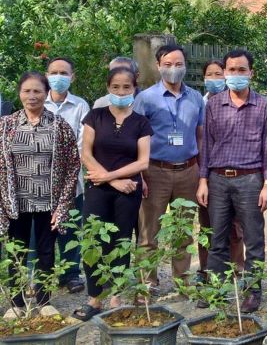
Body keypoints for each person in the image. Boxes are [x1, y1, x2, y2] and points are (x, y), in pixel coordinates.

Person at [197, 49, 267, 313]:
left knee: (253, 239)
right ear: (225, 72)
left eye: (242, 70)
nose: (236, 74)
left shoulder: (264, 106)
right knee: (217, 239)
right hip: (218, 180)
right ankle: (216, 291)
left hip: (250, 180)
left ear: (251, 73)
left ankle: (252, 292)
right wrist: (203, 180)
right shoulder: (213, 105)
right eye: (231, 70)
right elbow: (207, 146)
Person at [73, 67, 153, 321]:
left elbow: (143, 162)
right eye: (115, 87)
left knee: (121, 240)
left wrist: (111, 177)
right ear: (108, 88)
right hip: (98, 189)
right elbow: (86, 154)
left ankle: (116, 297)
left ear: (134, 89)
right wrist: (114, 181)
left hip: (128, 191)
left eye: (126, 87)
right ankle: (94, 298)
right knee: (94, 240)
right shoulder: (95, 116)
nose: (120, 91)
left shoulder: (141, 122)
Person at [0, 72, 79, 315]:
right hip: (16, 202)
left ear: (46, 93)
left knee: (46, 252)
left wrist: (63, 205)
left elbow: (73, 165)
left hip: (49, 202)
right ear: (19, 93)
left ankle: (44, 302)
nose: (32, 96)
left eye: (37, 91)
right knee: (17, 252)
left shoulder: (59, 126)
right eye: (27, 91)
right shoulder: (6, 125)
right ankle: (16, 304)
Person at [133, 44, 204, 290]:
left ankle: (182, 282)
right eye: (168, 64)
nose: (173, 68)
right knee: (149, 233)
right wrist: (140, 175)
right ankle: (147, 284)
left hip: (188, 171)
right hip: (155, 171)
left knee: (183, 232)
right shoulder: (145, 99)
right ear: (158, 66)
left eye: (178, 64)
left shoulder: (196, 98)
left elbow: (200, 135)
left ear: (185, 66)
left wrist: (201, 173)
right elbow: (136, 138)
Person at [44, 57, 90, 293]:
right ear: (46, 75)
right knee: (40, 230)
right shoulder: (37, 101)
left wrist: (67, 172)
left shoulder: (80, 106)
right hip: (40, 181)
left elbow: (83, 144)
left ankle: (71, 274)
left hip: (72, 180)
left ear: (73, 77)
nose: (58, 77)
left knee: (70, 227)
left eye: (64, 73)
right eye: (54, 72)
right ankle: (39, 275)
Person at [197, 59, 245, 279]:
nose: (214, 79)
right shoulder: (198, 102)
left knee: (234, 226)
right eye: (210, 74)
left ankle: (236, 270)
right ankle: (206, 271)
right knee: (207, 225)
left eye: (218, 74)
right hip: (204, 172)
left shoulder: (236, 101)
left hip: (232, 173)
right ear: (204, 77)